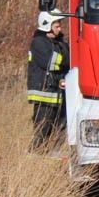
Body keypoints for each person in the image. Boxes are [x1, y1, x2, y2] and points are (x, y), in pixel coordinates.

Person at [27, 10, 69, 151]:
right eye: (57, 26)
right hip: (44, 93)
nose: (60, 28)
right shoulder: (39, 43)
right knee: (42, 129)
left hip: (56, 93)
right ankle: (35, 154)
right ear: (47, 25)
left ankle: (52, 155)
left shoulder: (58, 43)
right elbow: (53, 62)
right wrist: (66, 58)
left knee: (60, 129)